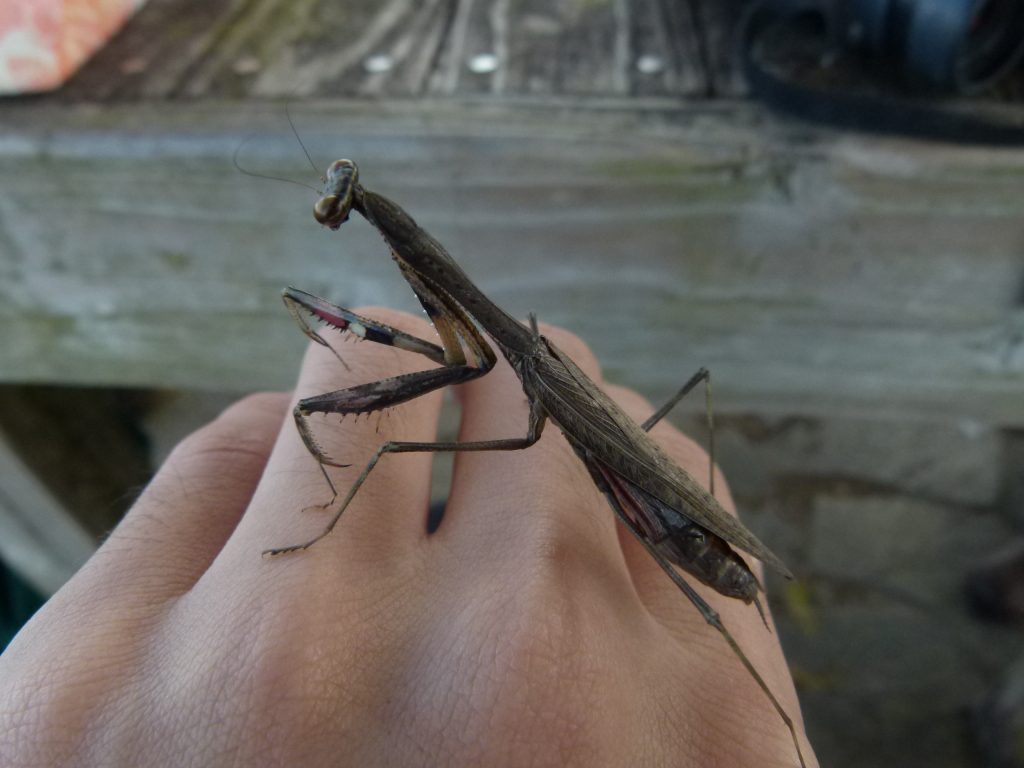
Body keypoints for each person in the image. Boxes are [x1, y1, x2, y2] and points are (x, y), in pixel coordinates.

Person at [0, 309, 817, 767]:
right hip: (641, 487)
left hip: (671, 519)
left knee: (391, 441)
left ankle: (778, 707)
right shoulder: (495, 339)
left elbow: (464, 373)